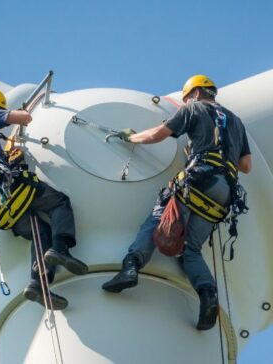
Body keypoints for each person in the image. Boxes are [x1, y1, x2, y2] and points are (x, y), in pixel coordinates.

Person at [101, 75, 252, 330]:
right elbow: (246, 166)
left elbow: (158, 135)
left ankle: (131, 267)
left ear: (193, 94)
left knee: (157, 220)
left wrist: (131, 138)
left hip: (198, 179)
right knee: (190, 250)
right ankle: (208, 295)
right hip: (224, 193)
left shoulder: (193, 108)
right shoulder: (236, 122)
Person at [0, 87, 89, 310]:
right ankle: (61, 249)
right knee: (58, 202)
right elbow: (24, 118)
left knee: (40, 229)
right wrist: (20, 113)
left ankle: (38, 285)